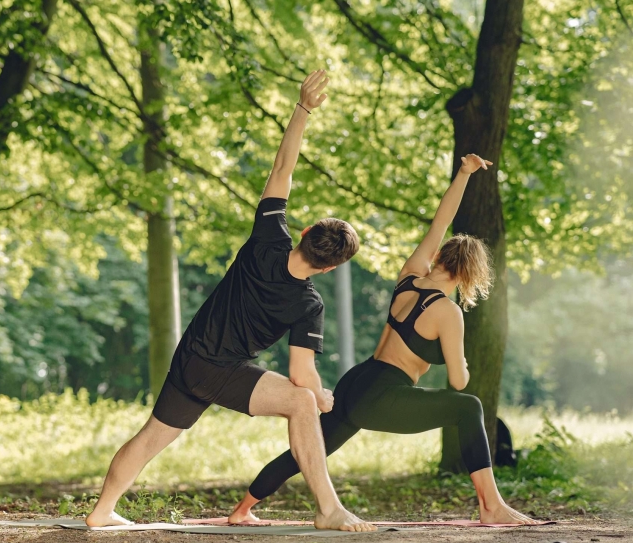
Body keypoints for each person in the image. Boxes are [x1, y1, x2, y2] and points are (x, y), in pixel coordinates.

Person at [85, 70, 375, 532]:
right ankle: (328, 509)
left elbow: (282, 169)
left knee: (151, 438)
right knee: (301, 402)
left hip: (190, 356)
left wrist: (302, 108)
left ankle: (101, 512)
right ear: (330, 268)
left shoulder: (268, 237)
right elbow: (301, 375)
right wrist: (321, 396)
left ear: (303, 234)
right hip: (219, 370)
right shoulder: (308, 304)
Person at [227, 153, 540, 526]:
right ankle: (491, 506)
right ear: (470, 275)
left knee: (309, 449)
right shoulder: (448, 312)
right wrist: (463, 360)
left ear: (439, 256)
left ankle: (242, 509)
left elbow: (441, 221)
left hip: (359, 381)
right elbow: (458, 382)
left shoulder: (411, 275)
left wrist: (464, 173)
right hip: (385, 394)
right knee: (468, 405)